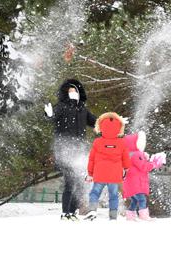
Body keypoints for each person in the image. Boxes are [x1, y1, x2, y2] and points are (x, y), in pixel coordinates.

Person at [44, 79, 97, 221]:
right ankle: (65, 212)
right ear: (66, 93)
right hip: (65, 151)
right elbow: (53, 116)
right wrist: (49, 114)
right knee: (69, 182)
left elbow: (95, 122)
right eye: (70, 91)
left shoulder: (83, 110)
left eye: (75, 91)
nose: (73, 93)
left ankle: (72, 212)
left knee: (79, 182)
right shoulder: (61, 107)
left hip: (79, 152)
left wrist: (113, 121)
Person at [85, 112, 131, 220]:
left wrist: (90, 173)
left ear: (100, 126)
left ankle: (92, 210)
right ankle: (113, 216)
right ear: (119, 127)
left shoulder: (97, 142)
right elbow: (126, 159)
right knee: (113, 196)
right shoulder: (121, 143)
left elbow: (91, 159)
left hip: (99, 173)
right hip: (114, 175)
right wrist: (126, 168)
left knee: (95, 192)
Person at [122, 131, 165, 221]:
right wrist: (154, 164)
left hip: (131, 182)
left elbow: (138, 164)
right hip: (136, 182)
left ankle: (130, 216)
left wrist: (144, 157)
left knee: (134, 200)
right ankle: (143, 215)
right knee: (141, 199)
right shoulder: (136, 154)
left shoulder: (129, 153)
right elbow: (143, 167)